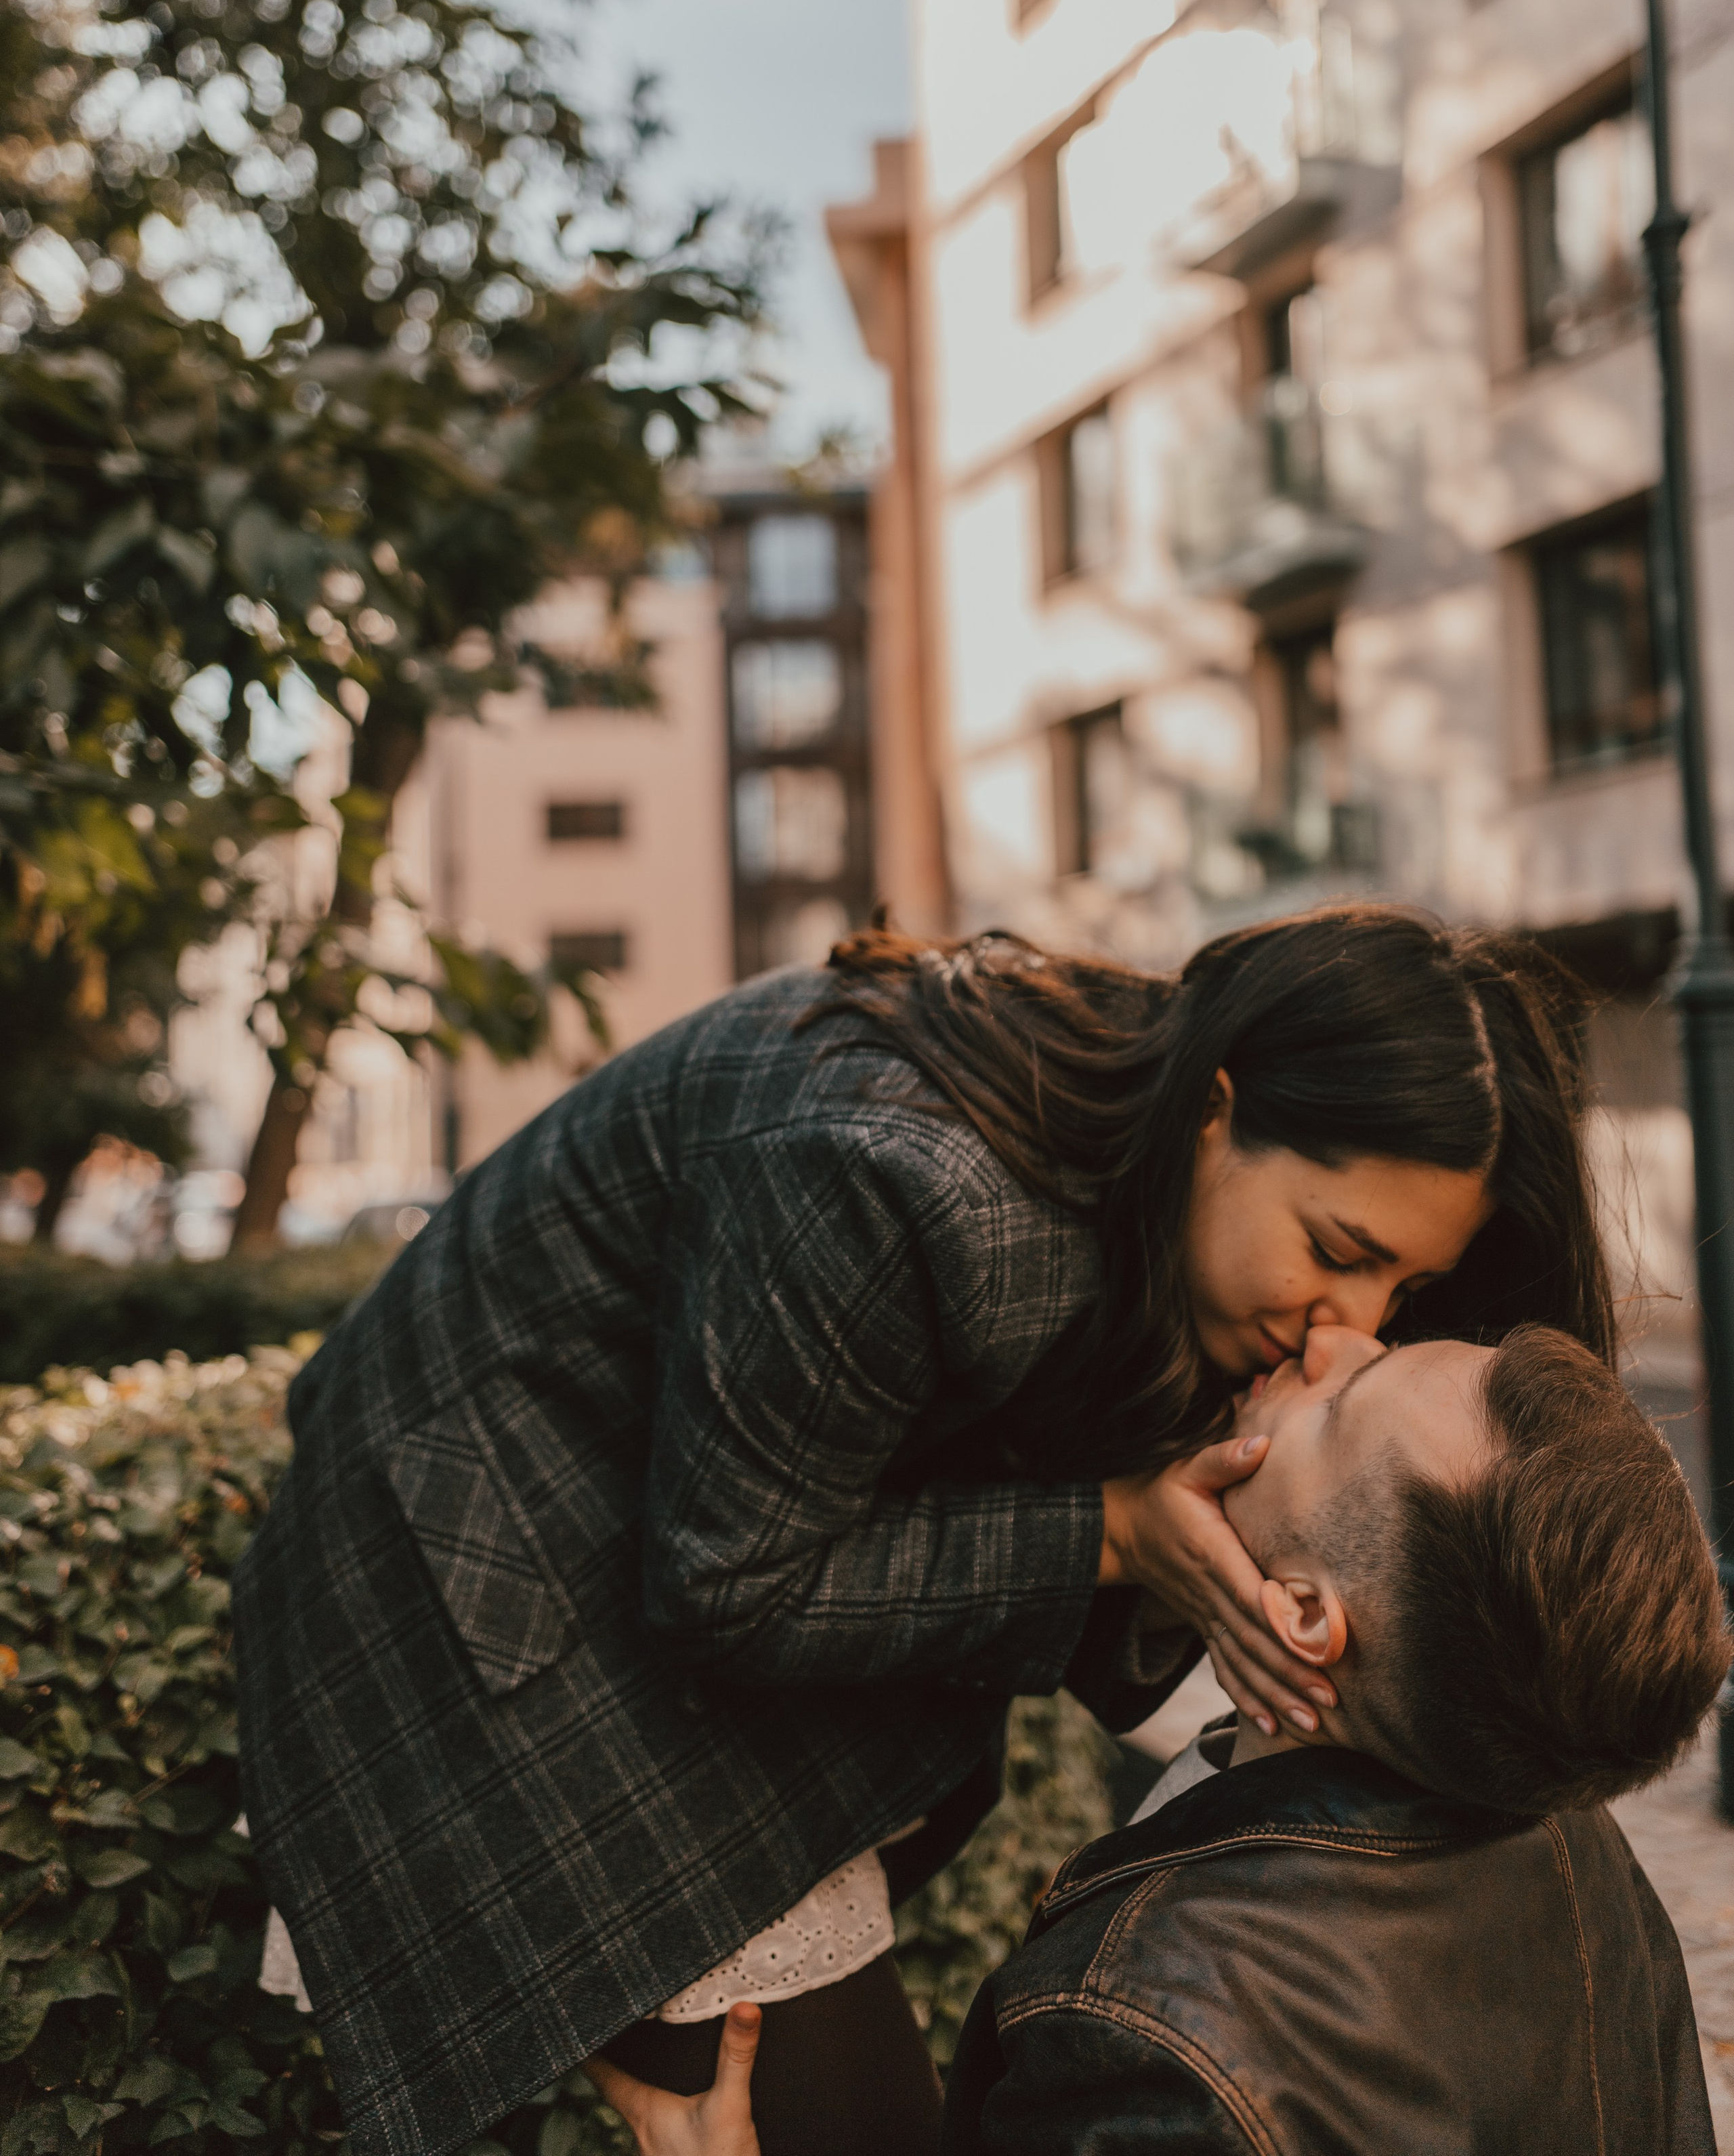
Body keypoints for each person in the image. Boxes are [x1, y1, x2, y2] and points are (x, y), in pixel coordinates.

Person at [233, 907, 1619, 2156]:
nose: (1353, 1328)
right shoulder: (896, 1177)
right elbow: (727, 1588)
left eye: (1404, 1286)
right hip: (478, 1575)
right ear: (1217, 1109)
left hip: (671, 1526)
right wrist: (1110, 1533)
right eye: (1337, 1250)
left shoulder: (1142, 1163)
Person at [592, 1320, 1729, 2156]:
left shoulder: (1148, 2041)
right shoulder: (1570, 1839)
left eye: (1344, 1400)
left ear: (1305, 1616)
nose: (1332, 1338)